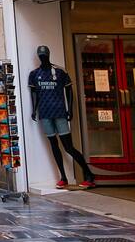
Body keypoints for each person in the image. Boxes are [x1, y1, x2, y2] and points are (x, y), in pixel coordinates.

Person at [28, 45, 96, 188]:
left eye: (44, 55)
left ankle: (89, 174)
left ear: (49, 55)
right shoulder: (34, 74)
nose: (43, 57)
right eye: (40, 55)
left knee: (68, 147)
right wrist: (34, 110)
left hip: (59, 112)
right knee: (54, 145)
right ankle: (63, 177)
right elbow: (34, 93)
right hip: (45, 114)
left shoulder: (60, 72)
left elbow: (69, 90)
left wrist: (69, 109)